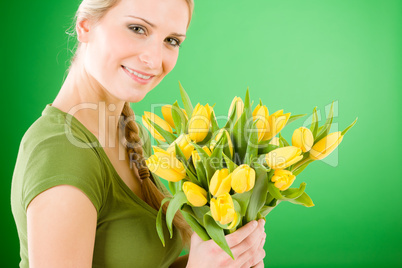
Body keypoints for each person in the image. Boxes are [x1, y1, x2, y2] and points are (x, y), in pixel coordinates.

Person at [10, 0, 267, 267]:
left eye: (171, 40)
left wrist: (225, 258)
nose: (154, 60)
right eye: (137, 28)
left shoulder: (126, 132)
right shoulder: (62, 151)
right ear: (85, 26)